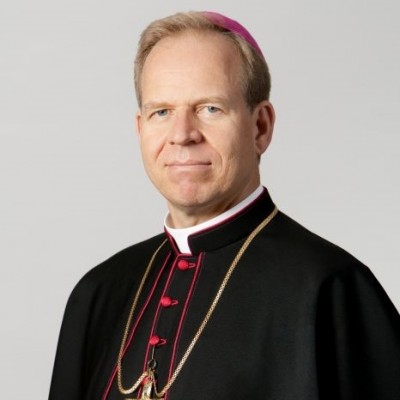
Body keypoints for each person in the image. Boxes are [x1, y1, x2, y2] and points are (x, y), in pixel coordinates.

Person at [49, 11, 400, 400]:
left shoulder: (332, 288)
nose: (182, 135)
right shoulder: (97, 293)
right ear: (140, 128)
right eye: (161, 112)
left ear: (260, 126)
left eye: (210, 108)